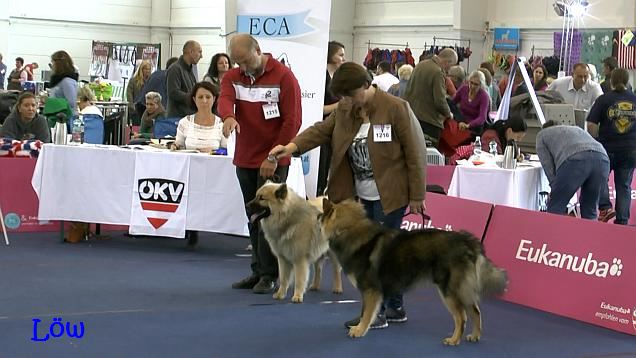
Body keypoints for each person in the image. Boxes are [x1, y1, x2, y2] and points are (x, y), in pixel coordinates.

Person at [269, 61, 426, 331]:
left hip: (391, 196)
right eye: (342, 96)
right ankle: (395, 307)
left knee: (379, 255)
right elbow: (321, 131)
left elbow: (415, 153)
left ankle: (375, 313)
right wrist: (292, 147)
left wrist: (417, 195)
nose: (347, 101)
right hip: (357, 196)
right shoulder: (345, 109)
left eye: (351, 94)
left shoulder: (396, 108)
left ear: (366, 85)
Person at [218, 34, 302, 294]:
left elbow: (293, 121)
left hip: (273, 159)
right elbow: (224, 99)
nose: (241, 67)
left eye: (245, 60)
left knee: (270, 219)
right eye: (237, 62)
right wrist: (228, 117)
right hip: (245, 157)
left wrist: (273, 157)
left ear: (259, 50)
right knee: (253, 215)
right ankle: (258, 270)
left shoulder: (284, 77)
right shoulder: (232, 76)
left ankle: (270, 275)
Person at [587, 68, 636, 225]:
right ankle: (622, 222)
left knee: (601, 178)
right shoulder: (634, 99)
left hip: (607, 148)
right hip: (630, 149)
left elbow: (591, 124)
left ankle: (605, 207)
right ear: (628, 81)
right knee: (624, 186)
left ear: (611, 81)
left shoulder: (603, 100)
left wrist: (596, 139)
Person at [535, 120, 609, 219]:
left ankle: (552, 233)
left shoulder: (542, 135)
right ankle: (590, 234)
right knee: (590, 209)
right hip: (602, 159)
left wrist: (554, 187)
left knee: (556, 207)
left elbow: (547, 164)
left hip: (576, 159)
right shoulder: (575, 128)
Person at [404, 48, 457, 147]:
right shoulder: (438, 72)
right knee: (430, 156)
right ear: (447, 61)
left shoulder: (420, 65)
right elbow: (439, 101)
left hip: (412, 117)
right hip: (429, 123)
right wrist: (449, 114)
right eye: (452, 65)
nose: (450, 70)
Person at [318, 40, 346, 196]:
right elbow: (318, 109)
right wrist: (341, 105)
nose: (343, 58)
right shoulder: (321, 78)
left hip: (336, 130)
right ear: (330, 56)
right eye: (340, 55)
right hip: (324, 130)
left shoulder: (337, 78)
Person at [173, 82, 226, 152]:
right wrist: (174, 146)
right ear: (194, 100)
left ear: (214, 99)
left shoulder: (222, 124)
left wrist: (214, 151)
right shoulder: (184, 123)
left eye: (208, 97)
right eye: (200, 97)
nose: (204, 101)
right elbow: (179, 147)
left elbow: (228, 150)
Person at [166, 41, 202, 119]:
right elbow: (173, 92)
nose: (201, 56)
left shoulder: (190, 69)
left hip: (188, 116)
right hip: (177, 118)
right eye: (199, 52)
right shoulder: (175, 69)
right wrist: (194, 98)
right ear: (191, 52)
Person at [452, 70, 490, 135]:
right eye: (471, 83)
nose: (472, 86)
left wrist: (468, 125)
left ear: (481, 85)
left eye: (476, 84)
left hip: (474, 126)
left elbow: (482, 117)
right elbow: (453, 103)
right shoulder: (464, 89)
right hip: (460, 120)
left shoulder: (484, 96)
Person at [48, 51, 79, 117]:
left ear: (58, 63)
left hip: (64, 119)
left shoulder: (67, 81)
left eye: (52, 62)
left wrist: (51, 102)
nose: (52, 65)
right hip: (56, 116)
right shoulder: (58, 80)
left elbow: (71, 103)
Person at [126, 60, 152, 126]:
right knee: (137, 127)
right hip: (136, 109)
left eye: (149, 69)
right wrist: (132, 106)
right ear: (141, 69)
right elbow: (129, 94)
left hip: (148, 109)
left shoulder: (152, 81)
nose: (148, 71)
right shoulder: (133, 81)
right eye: (146, 69)